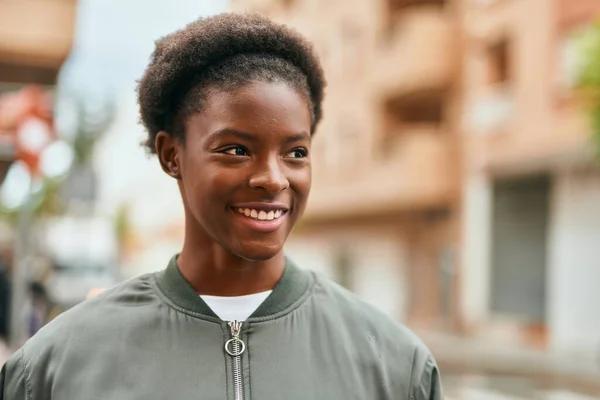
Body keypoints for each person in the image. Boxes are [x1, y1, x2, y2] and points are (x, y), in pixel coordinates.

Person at [0, 13, 444, 399]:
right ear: (172, 155)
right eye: (235, 150)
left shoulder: (394, 364)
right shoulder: (57, 365)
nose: (273, 177)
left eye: (295, 152)